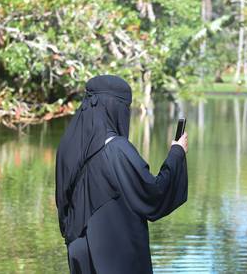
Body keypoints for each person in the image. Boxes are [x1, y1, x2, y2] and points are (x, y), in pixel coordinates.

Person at [55, 75, 188, 274]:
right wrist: (177, 153)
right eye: (125, 108)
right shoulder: (117, 150)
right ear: (115, 107)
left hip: (79, 250)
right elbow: (153, 195)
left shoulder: (68, 146)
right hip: (112, 255)